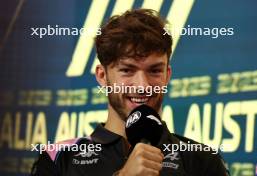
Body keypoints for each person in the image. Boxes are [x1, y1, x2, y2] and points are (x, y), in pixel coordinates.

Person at [31, 9, 229, 176]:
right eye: (127, 70)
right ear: (102, 76)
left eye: (154, 70)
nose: (142, 86)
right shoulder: (58, 159)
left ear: (167, 75)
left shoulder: (201, 159)